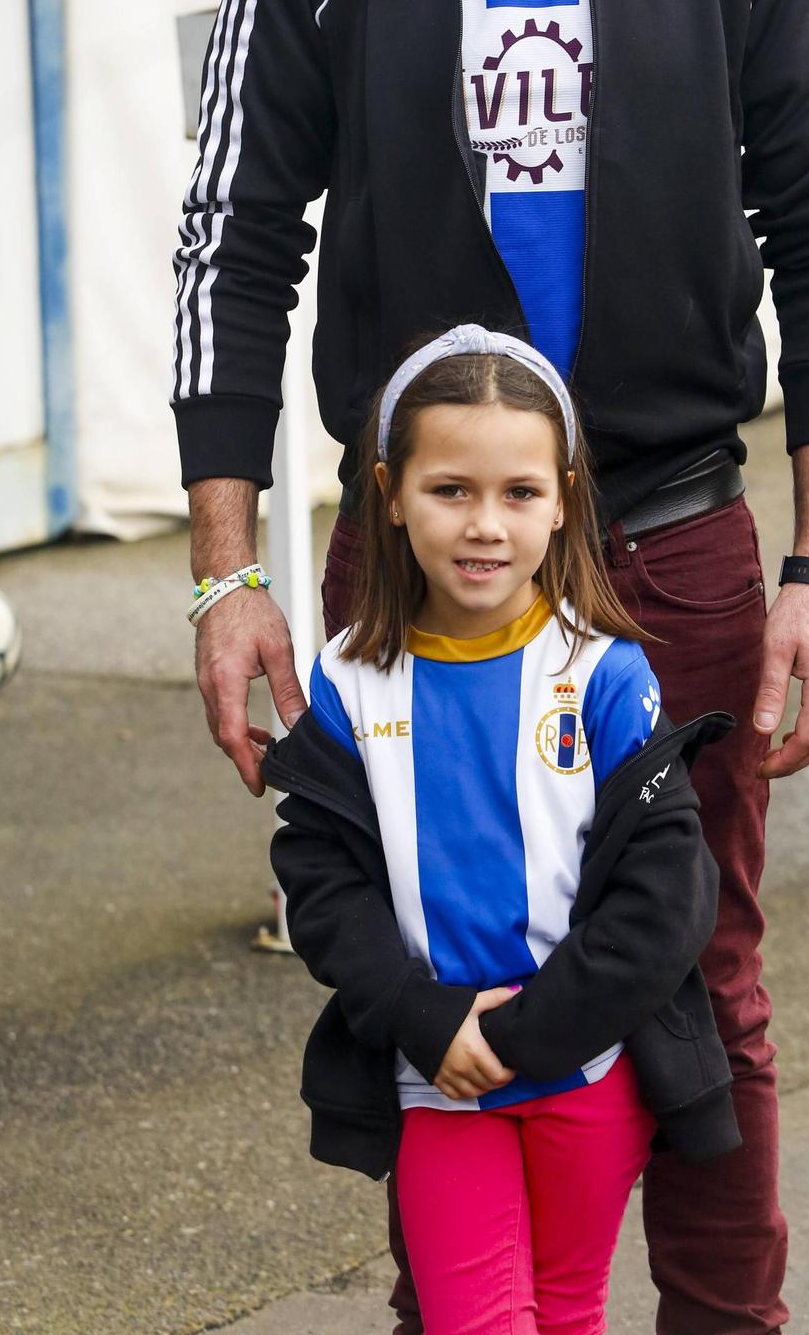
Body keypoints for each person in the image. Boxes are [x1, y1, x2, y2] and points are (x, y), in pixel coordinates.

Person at [175, 0, 809, 1335]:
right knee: (419, 970)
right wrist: (221, 579)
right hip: (407, 555)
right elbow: (230, 247)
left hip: (666, 530)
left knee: (698, 967)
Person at [261, 325, 740, 1335]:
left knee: (567, 1314)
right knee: (476, 1321)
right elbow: (320, 880)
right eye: (450, 489)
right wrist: (424, 1017)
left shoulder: (605, 676)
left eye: (518, 491)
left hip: (587, 1069)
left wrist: (525, 1032)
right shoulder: (346, 683)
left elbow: (665, 898)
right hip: (440, 1076)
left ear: (564, 497)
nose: (485, 524)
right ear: (389, 493)